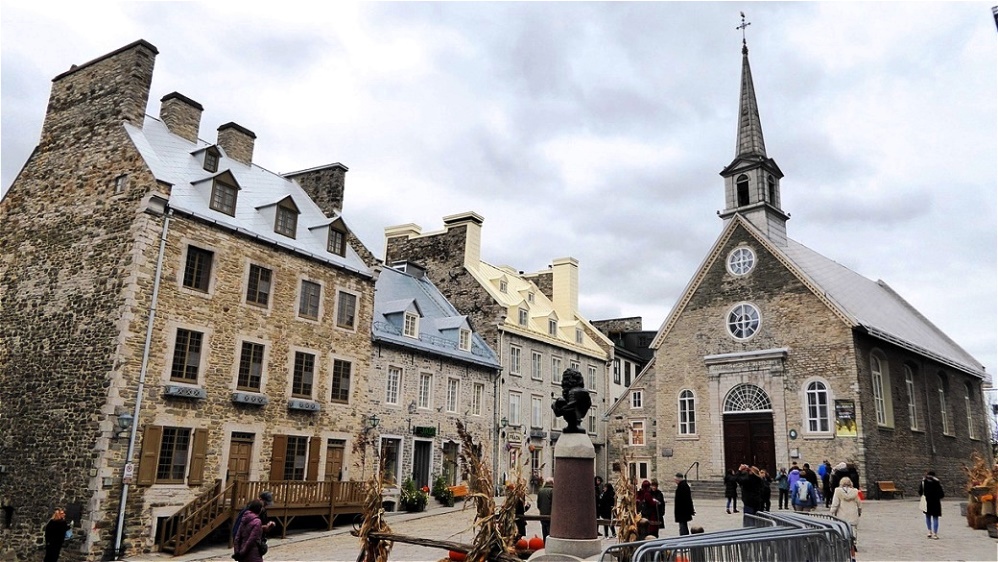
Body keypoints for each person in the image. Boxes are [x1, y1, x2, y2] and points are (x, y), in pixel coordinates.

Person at [830, 476, 862, 548]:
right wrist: (860, 510)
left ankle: (844, 542)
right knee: (853, 528)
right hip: (853, 512)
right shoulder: (855, 492)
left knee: (843, 527)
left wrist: (832, 510)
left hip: (842, 512)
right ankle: (853, 542)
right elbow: (859, 503)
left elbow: (835, 502)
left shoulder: (838, 491)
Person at [919, 470, 945, 539]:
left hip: (927, 501)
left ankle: (929, 531)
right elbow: (942, 494)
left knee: (927, 517)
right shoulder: (937, 483)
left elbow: (920, 492)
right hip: (935, 502)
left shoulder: (923, 482)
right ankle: (935, 533)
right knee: (935, 518)